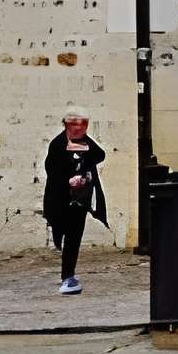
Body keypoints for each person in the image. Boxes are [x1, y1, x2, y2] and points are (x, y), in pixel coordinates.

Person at [43, 110, 110, 296]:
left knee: (73, 237)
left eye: (83, 125)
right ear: (66, 125)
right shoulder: (58, 144)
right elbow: (51, 171)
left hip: (79, 200)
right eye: (74, 125)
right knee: (60, 228)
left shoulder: (84, 142)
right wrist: (68, 180)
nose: (79, 129)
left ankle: (68, 276)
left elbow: (100, 155)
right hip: (60, 198)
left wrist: (84, 147)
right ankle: (57, 234)